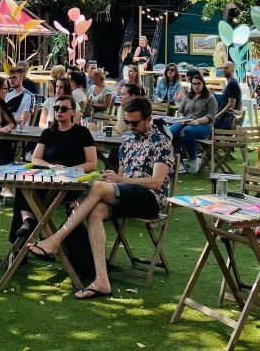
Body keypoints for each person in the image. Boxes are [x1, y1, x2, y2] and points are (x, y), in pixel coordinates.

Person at [26, 96, 173, 300]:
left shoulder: (162, 142)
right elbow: (120, 180)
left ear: (149, 119)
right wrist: (114, 180)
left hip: (150, 199)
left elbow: (157, 183)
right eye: (128, 122)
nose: (130, 127)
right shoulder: (127, 143)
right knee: (94, 210)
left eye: (135, 123)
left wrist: (118, 179)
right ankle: (102, 280)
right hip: (127, 195)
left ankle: (55, 239)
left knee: (96, 188)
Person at [11, 92, 97, 242]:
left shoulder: (82, 133)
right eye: (56, 108)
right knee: (22, 185)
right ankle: (28, 222)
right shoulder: (48, 132)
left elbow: (92, 164)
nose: (59, 111)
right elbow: (36, 158)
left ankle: (31, 234)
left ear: (73, 112)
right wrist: (51, 166)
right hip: (47, 180)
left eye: (64, 109)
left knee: (30, 192)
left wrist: (69, 170)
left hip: (72, 184)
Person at [169, 74, 216, 174]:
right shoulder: (188, 96)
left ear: (203, 84)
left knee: (186, 131)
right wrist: (181, 118)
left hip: (203, 125)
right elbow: (180, 111)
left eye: (199, 83)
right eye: (194, 84)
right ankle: (178, 160)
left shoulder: (210, 98)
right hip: (186, 122)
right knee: (171, 132)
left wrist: (197, 121)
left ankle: (193, 159)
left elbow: (210, 116)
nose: (196, 86)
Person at [214, 61, 241, 130]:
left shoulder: (232, 84)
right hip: (222, 118)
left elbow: (231, 104)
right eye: (222, 68)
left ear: (232, 70)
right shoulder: (230, 83)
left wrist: (217, 116)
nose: (223, 70)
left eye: (226, 68)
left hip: (223, 120)